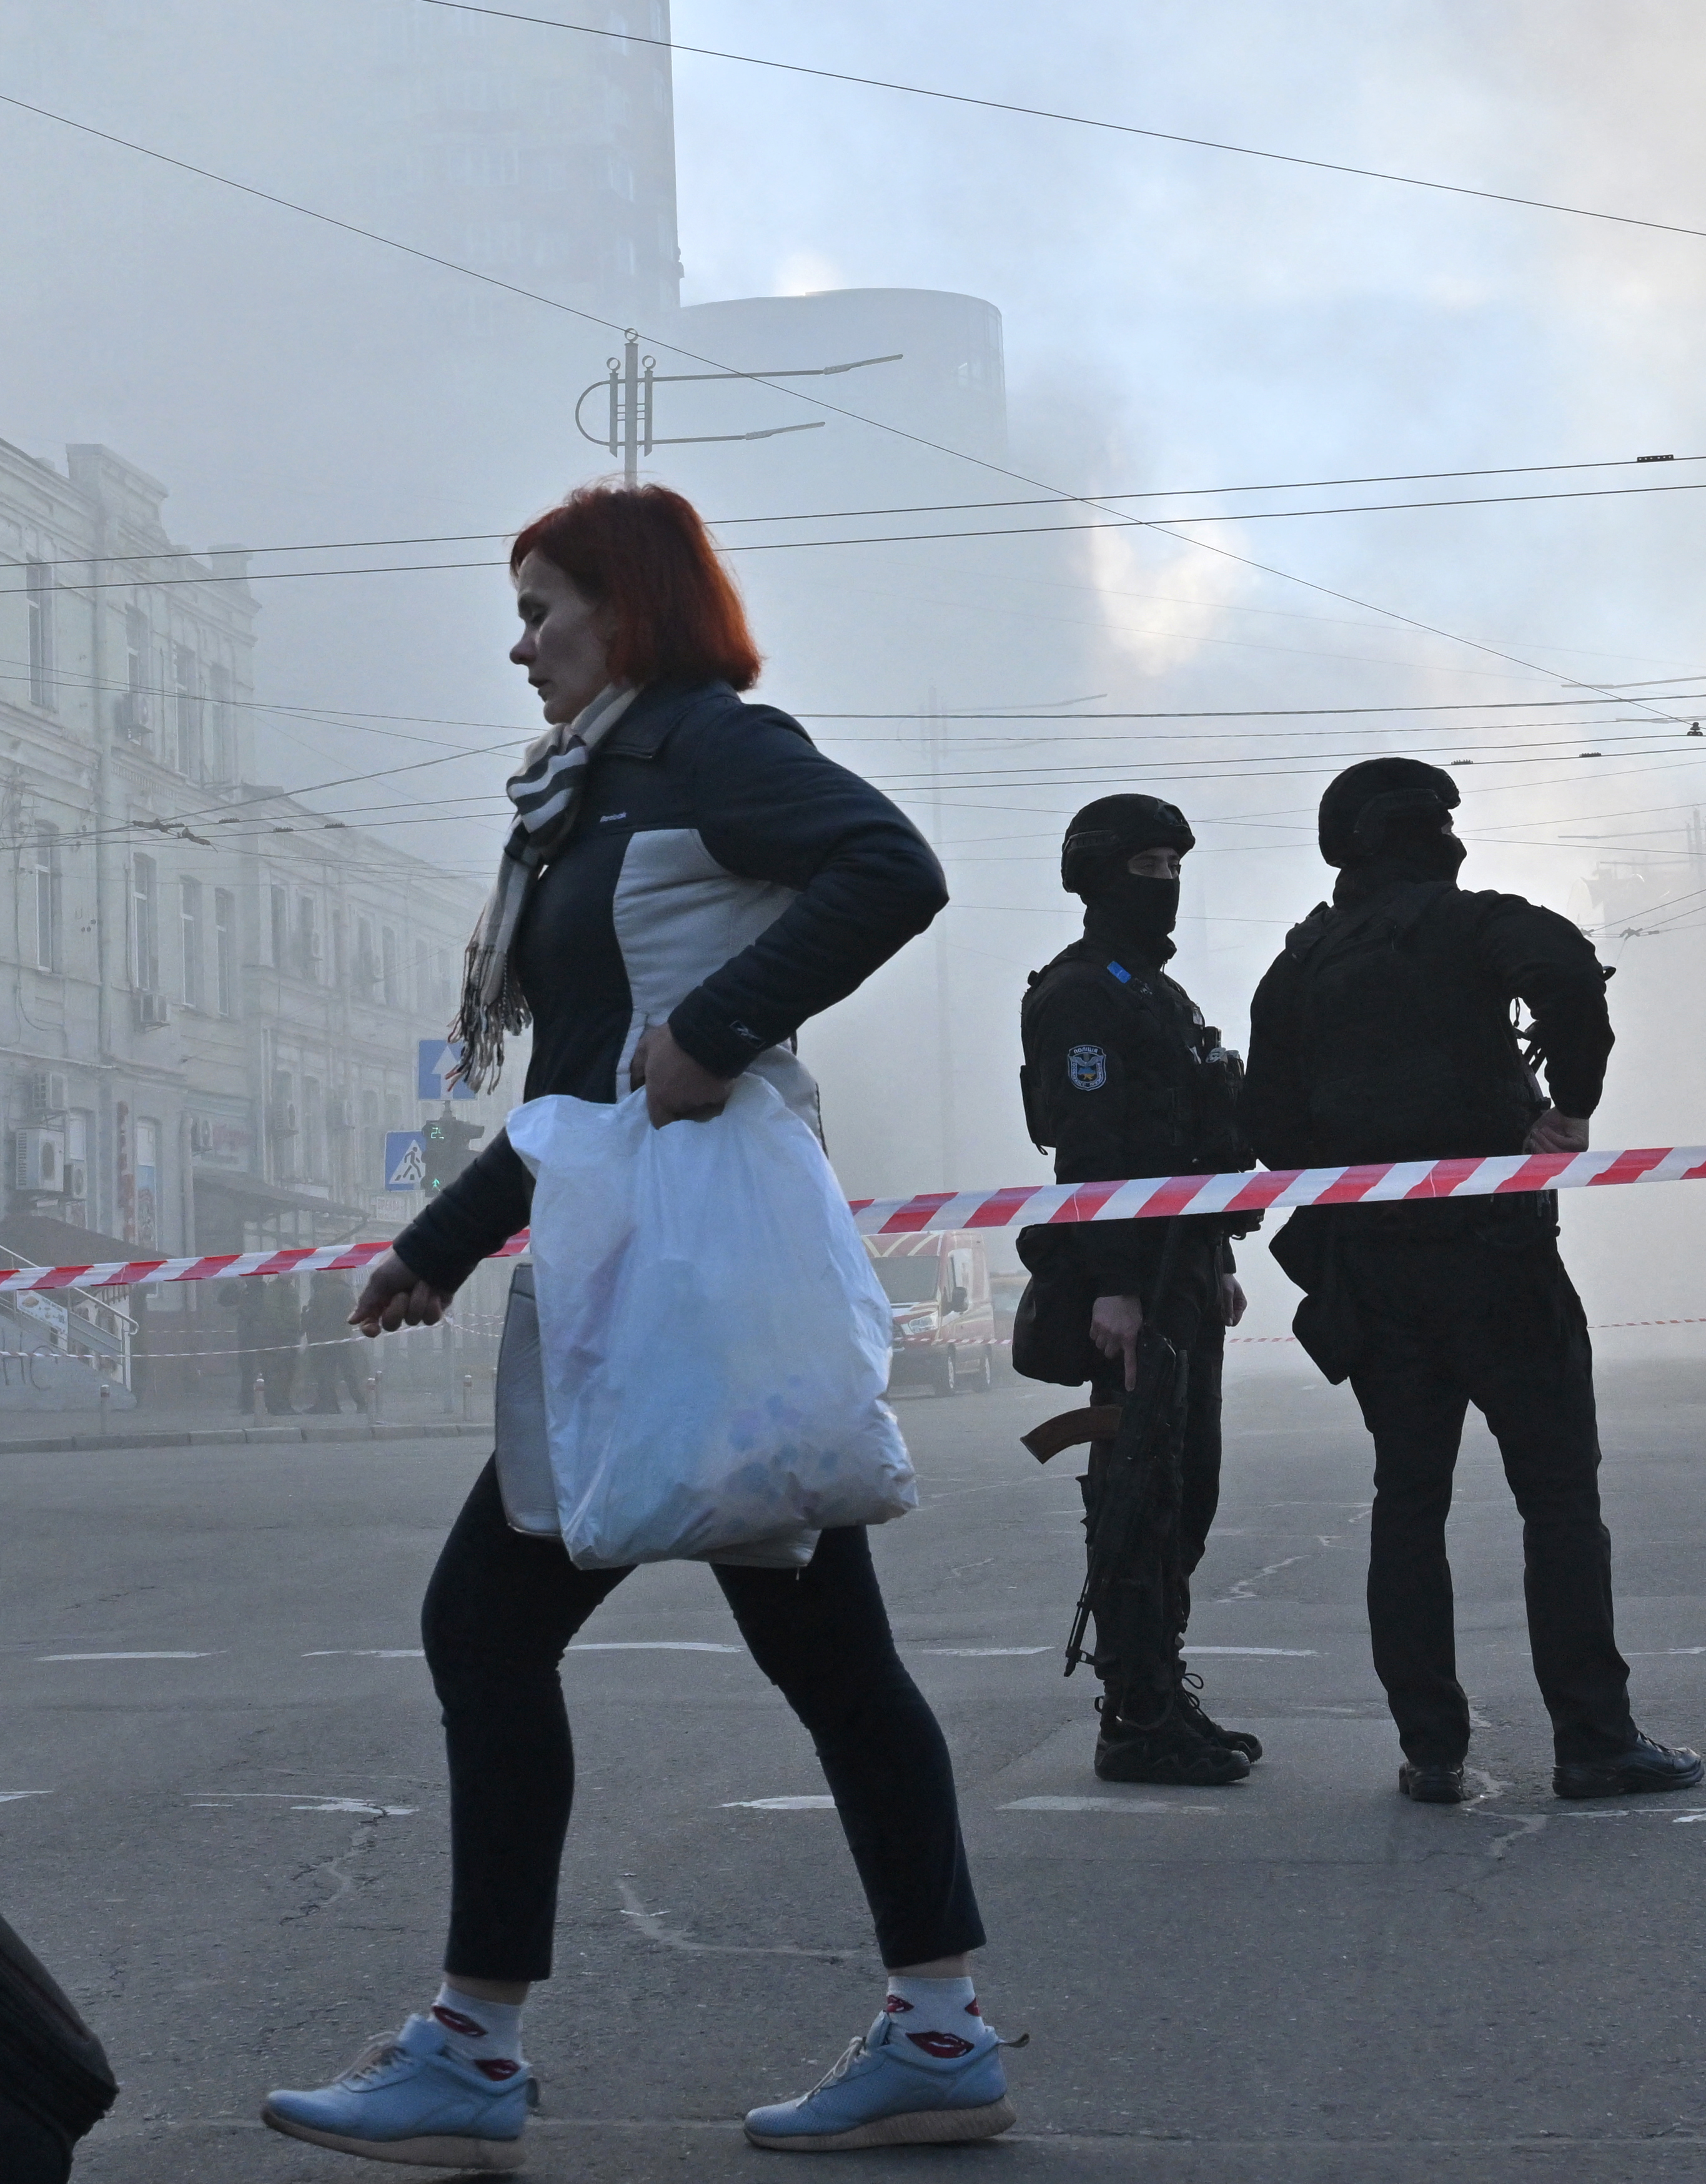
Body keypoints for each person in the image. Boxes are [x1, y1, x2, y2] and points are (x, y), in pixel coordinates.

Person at [264, 483, 1003, 2159]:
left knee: (496, 1624)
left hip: (693, 1270)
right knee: (817, 1658)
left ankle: (477, 2050)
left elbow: (895, 867)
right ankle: (938, 2032)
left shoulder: (705, 749)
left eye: (544, 609)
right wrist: (445, 1242)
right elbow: (582, 1072)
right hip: (633, 1257)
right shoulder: (593, 786)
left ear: (632, 609)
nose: (519, 643)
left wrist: (728, 1021)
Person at [1244, 757, 1704, 1808]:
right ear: (1435, 836)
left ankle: (1430, 1749)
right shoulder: (1474, 925)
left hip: (1370, 1272)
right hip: (1497, 1262)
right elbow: (1567, 973)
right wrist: (1570, 1103)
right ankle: (1592, 1740)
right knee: (1555, 1498)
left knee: (1406, 1500)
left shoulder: (1299, 968)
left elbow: (1265, 1131)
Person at [1012, 791, 1262, 1786]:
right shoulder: (1080, 994)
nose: (1165, 886)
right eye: (1147, 869)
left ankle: (1161, 1685)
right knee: (1138, 1487)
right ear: (1097, 876)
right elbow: (1094, 1148)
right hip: (1134, 1277)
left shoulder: (1157, 994)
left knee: (1185, 1486)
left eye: (1174, 868)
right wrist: (1114, 1288)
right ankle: (1136, 1712)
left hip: (1187, 1265)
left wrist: (1222, 1260)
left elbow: (1190, 1134)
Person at [229, 1268, 301, 1416]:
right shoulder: (269, 1291)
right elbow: (274, 1313)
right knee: (265, 1373)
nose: (292, 1274)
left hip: (272, 1338)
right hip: (267, 1338)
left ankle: (278, 1405)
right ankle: (260, 1406)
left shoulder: (273, 1290)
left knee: (279, 1373)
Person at [301, 1263, 367, 1415]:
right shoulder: (344, 1291)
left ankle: (330, 1406)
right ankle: (362, 1403)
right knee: (349, 1373)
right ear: (340, 1275)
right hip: (342, 1338)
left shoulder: (321, 1292)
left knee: (327, 1374)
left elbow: (312, 1316)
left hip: (325, 1340)